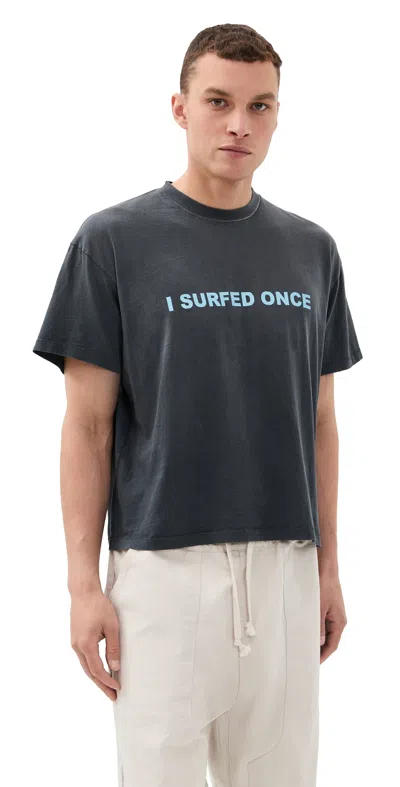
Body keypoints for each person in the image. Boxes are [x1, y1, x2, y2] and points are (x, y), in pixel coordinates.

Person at [32, 22, 363, 787]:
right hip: (161, 570)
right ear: (180, 108)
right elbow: (87, 427)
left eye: (259, 106)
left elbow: (321, 422)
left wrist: (328, 567)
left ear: (277, 115)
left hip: (286, 569)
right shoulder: (112, 243)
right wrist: (83, 585)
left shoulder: (312, 250)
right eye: (218, 102)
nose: (239, 124)